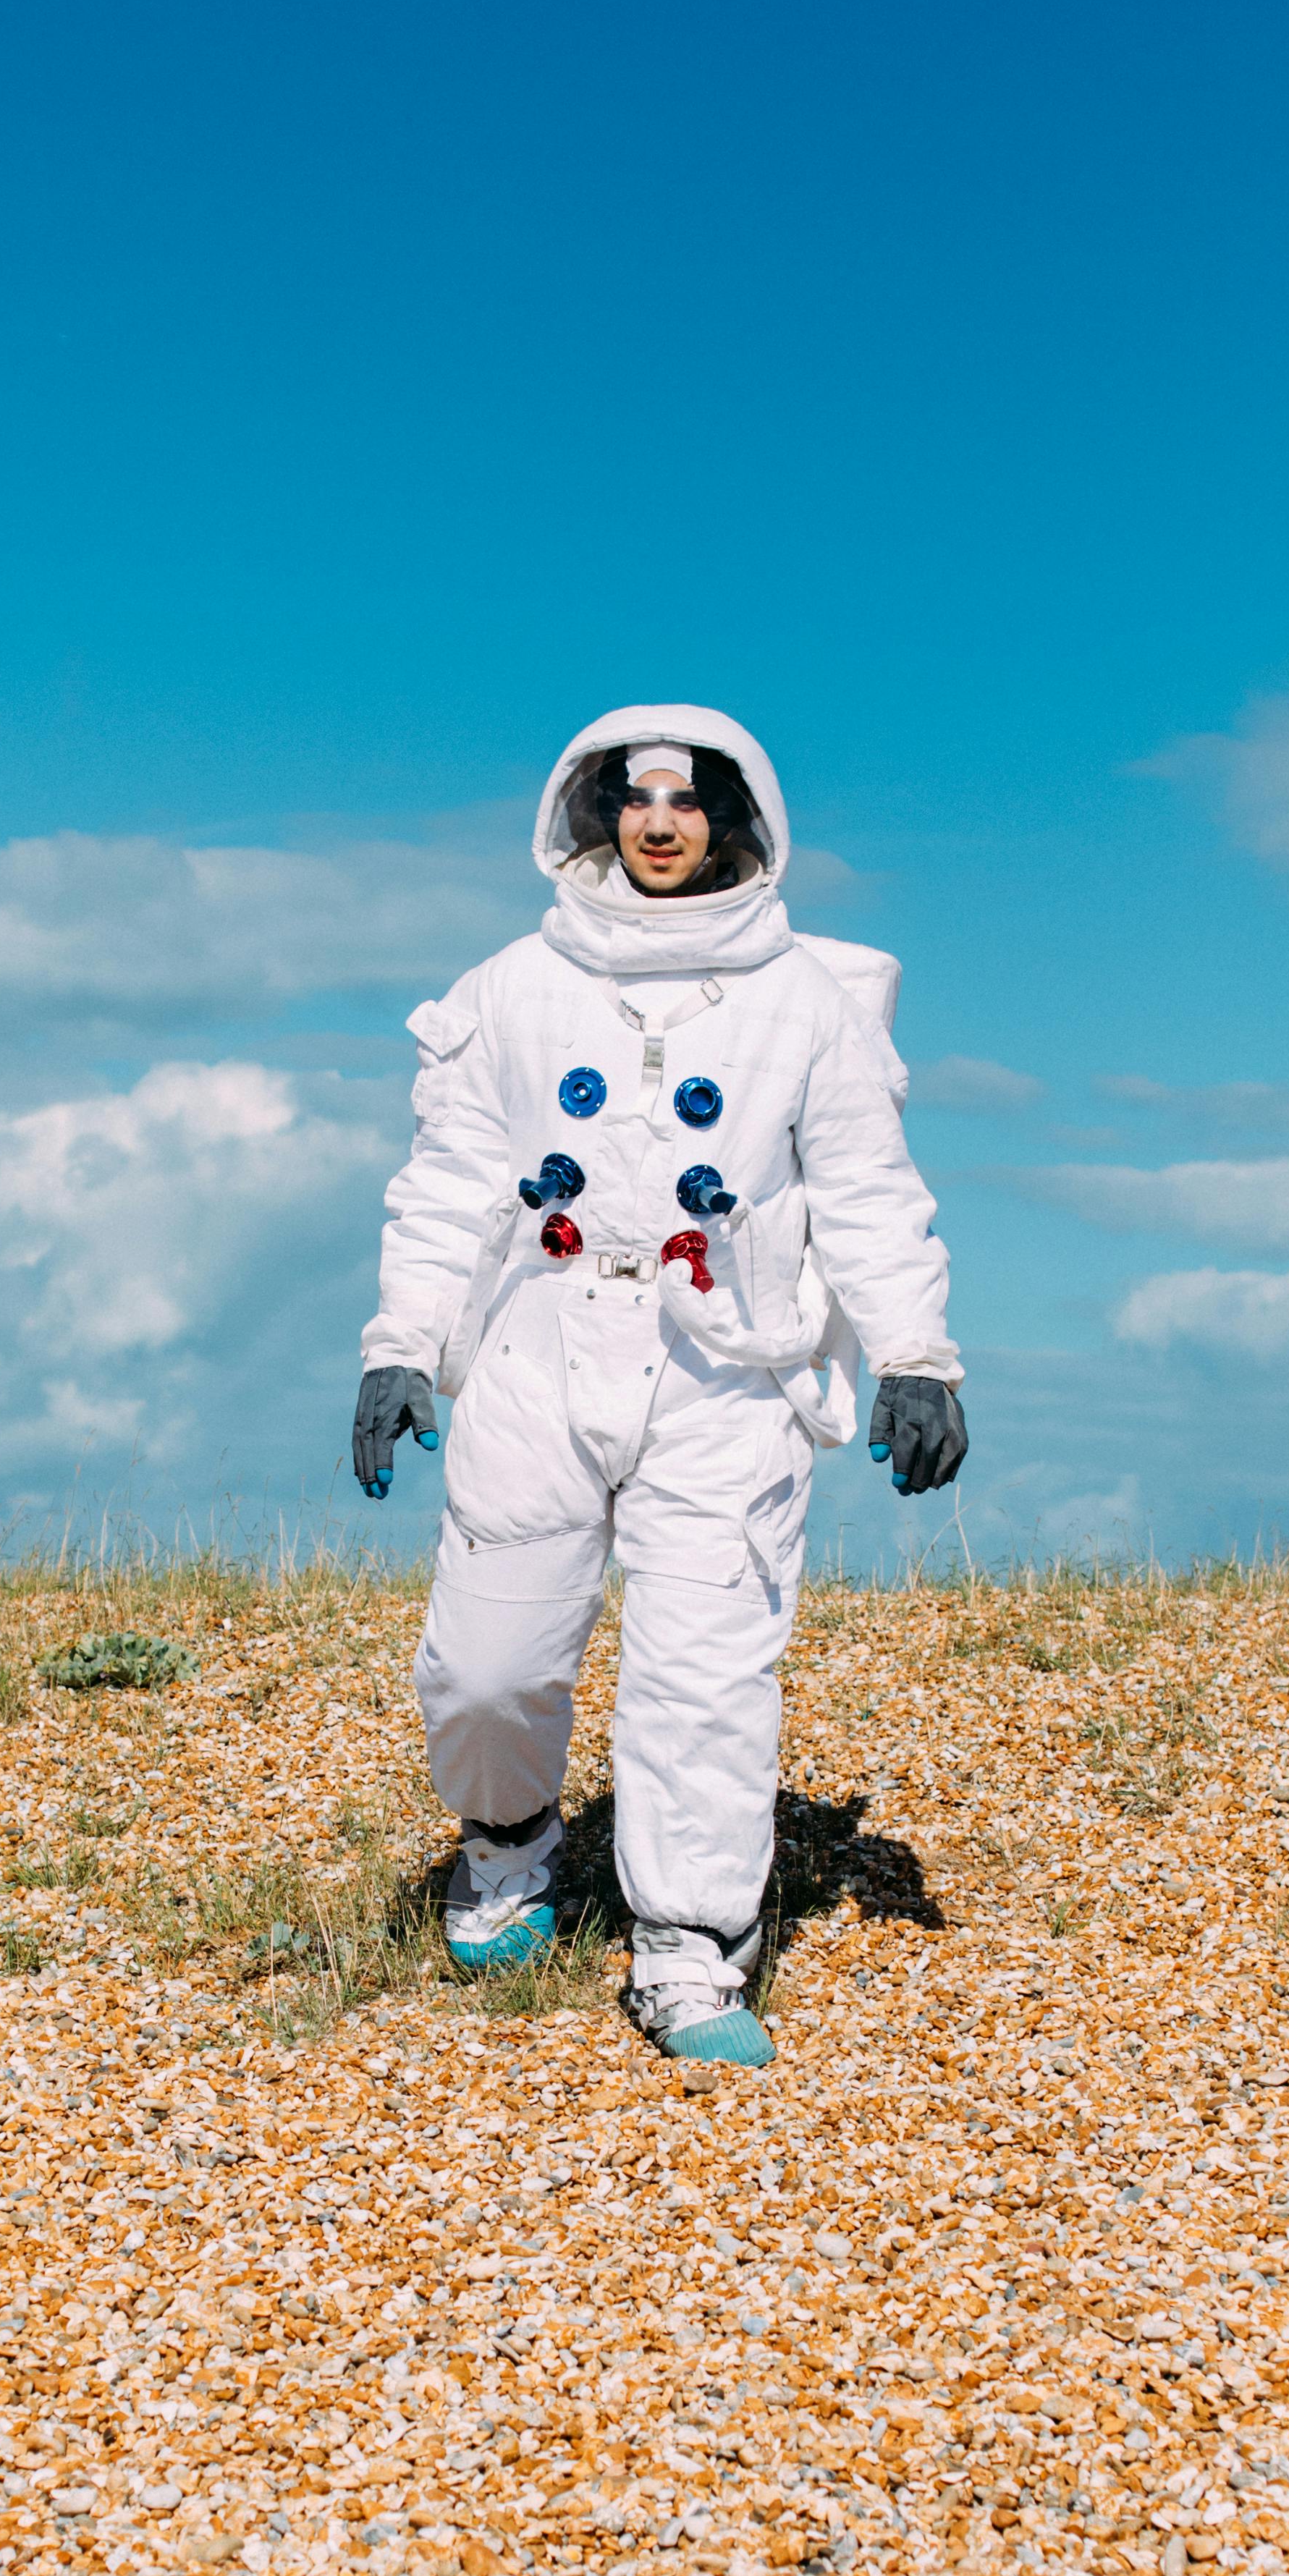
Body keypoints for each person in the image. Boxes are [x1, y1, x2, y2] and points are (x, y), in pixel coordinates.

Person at [350, 704, 965, 2067]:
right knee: (489, 1662)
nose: (661, 824)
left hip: (729, 1362)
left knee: (704, 1676)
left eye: (691, 803)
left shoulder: (804, 998)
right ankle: (508, 1842)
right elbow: (451, 1182)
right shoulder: (514, 984)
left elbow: (867, 1189)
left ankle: (691, 1949)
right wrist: (402, 1342)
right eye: (635, 799)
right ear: (594, 813)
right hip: (541, 1341)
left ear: (739, 821)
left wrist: (915, 1357)